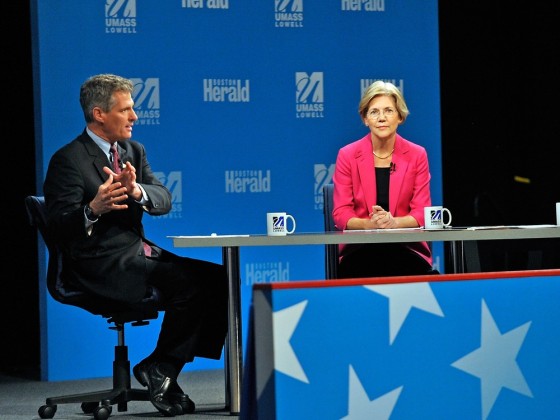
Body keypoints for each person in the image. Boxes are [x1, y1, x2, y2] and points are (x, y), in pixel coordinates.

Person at [43, 74, 229, 417]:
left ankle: (164, 368)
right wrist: (91, 209)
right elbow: (56, 225)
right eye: (126, 109)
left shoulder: (132, 151)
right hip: (95, 264)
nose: (135, 117)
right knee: (189, 283)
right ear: (100, 114)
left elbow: (163, 198)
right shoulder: (68, 159)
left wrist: (137, 191)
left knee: (220, 279)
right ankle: (162, 369)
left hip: (136, 254)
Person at [332, 80, 438, 278]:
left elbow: (423, 213)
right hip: (360, 250)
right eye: (374, 112)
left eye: (388, 110)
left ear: (400, 116)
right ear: (365, 119)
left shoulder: (417, 155)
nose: (382, 118)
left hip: (406, 248)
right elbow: (340, 213)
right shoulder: (347, 155)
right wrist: (369, 226)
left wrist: (393, 223)